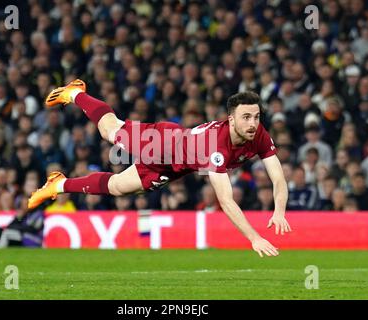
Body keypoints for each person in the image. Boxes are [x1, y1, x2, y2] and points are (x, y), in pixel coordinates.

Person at [28, 79, 291, 257]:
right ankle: (76, 92)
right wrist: (254, 238)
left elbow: (278, 178)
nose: (253, 123)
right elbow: (226, 200)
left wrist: (279, 211)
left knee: (119, 188)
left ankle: (58, 184)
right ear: (231, 119)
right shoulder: (217, 147)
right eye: (246, 117)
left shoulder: (258, 134)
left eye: (256, 117)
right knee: (110, 130)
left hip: (177, 165)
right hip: (163, 143)